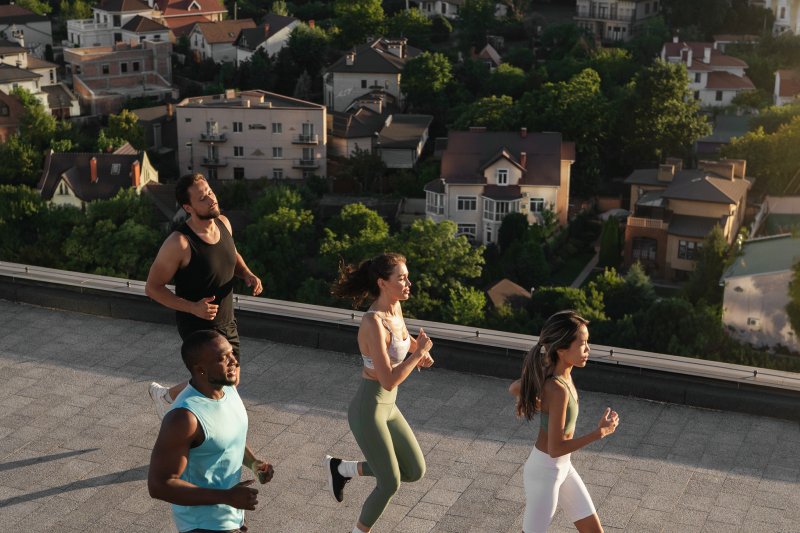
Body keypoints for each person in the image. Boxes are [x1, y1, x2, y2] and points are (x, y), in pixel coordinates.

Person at [324, 253, 434, 533]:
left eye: (407, 276)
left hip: (389, 407)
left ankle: (343, 469)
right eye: (402, 278)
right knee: (390, 482)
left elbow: (402, 340)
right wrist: (418, 353)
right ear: (383, 283)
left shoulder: (395, 309)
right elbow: (388, 380)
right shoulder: (373, 322)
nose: (409, 282)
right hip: (369, 408)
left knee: (414, 470)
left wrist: (416, 353)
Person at [145, 173, 262, 418]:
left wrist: (247, 273)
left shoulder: (224, 223)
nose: (211, 199)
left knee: (232, 378)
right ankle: (206, 429)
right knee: (219, 380)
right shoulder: (179, 243)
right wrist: (192, 307)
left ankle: (165, 396)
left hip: (226, 319)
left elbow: (231, 254)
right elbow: (153, 288)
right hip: (197, 324)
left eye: (209, 191)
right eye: (202, 198)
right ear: (188, 207)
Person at [148, 329, 274, 533]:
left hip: (231, 517)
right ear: (201, 369)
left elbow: (227, 438)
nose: (234, 361)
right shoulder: (184, 418)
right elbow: (159, 485)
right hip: (202, 526)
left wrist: (253, 462)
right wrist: (227, 497)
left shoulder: (228, 388)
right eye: (222, 358)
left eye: (231, 353)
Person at [509, 310, 619, 533]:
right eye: (582, 344)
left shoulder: (556, 373)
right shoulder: (557, 389)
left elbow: (514, 388)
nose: (588, 349)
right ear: (561, 349)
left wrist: (535, 400)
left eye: (588, 342)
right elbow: (555, 448)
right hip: (544, 473)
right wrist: (600, 433)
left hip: (562, 468)